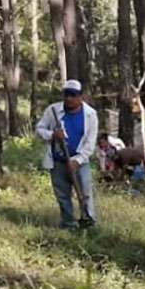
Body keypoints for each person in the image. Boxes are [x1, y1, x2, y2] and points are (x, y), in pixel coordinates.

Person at [35, 80, 99, 229]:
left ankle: (88, 221)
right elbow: (39, 129)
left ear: (80, 96)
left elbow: (90, 142)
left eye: (73, 95)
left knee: (85, 193)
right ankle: (68, 223)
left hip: (80, 162)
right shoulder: (53, 111)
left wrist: (78, 160)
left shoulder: (90, 114)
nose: (69, 98)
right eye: (66, 95)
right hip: (58, 162)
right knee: (63, 196)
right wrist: (52, 134)